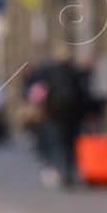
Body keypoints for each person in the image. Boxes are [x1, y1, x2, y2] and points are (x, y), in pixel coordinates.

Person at [41, 52, 87, 187]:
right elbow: (81, 93)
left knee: (59, 142)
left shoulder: (52, 72)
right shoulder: (74, 72)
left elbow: (48, 93)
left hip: (57, 113)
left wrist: (48, 111)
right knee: (73, 143)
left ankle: (59, 171)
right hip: (74, 113)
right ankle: (71, 171)